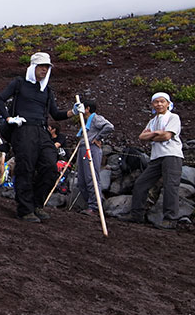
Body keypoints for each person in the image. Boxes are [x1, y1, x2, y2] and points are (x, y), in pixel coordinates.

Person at [0, 52, 84, 223]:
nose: (45, 69)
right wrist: (9, 118)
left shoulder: (47, 91)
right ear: (33, 67)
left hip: (42, 131)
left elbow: (55, 114)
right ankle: (25, 209)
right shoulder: (19, 83)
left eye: (47, 67)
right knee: (25, 168)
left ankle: (37, 204)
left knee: (51, 166)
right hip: (23, 129)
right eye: (42, 66)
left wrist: (73, 111)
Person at [120, 92, 183, 229]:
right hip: (156, 157)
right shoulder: (153, 121)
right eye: (156, 102)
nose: (159, 104)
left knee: (170, 186)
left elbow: (167, 136)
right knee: (141, 183)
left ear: (168, 104)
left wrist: (152, 135)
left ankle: (170, 219)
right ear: (152, 104)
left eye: (162, 101)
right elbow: (141, 137)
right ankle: (137, 215)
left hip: (172, 155)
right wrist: (157, 133)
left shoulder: (173, 117)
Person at [75, 100, 114, 216]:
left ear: (87, 108)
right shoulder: (86, 121)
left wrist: (98, 138)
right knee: (81, 179)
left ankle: (95, 206)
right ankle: (90, 203)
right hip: (83, 147)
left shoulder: (96, 118)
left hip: (91, 148)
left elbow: (109, 126)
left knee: (91, 176)